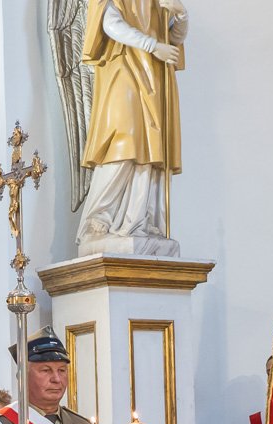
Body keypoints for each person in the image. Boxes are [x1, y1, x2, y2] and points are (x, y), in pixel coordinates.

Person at [78, 0, 188, 255]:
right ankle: (100, 218)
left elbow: (173, 38)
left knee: (151, 148)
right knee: (123, 141)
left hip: (155, 78)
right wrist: (153, 46)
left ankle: (138, 221)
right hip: (123, 69)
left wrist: (181, 15)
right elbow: (110, 24)